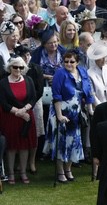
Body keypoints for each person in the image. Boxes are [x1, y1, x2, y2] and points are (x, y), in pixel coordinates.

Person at [42, 50, 94, 183]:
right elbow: (56, 96)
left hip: (75, 113)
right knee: (61, 143)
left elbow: (88, 92)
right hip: (61, 112)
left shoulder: (82, 72)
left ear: (77, 62)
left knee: (74, 142)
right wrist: (59, 115)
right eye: (66, 61)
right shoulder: (60, 73)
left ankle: (68, 169)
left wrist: (90, 109)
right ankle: (60, 172)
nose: (69, 64)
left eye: (72, 61)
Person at [0, 57, 37, 185]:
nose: (18, 70)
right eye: (15, 67)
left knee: (24, 147)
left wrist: (25, 110)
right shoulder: (3, 83)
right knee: (11, 147)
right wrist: (19, 112)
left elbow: (33, 98)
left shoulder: (29, 80)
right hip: (10, 118)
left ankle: (23, 172)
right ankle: (10, 173)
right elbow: (3, 103)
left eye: (21, 67)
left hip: (27, 118)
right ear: (10, 67)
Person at [15, 45, 45, 175]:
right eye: (24, 55)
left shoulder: (36, 68)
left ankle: (32, 162)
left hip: (35, 104)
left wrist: (28, 106)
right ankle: (19, 162)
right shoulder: (14, 68)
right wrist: (20, 106)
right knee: (17, 132)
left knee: (35, 133)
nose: (27, 58)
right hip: (17, 105)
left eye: (28, 55)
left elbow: (40, 90)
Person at [86, 40, 107, 105]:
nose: (104, 60)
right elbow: (92, 94)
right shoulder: (89, 73)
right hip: (98, 107)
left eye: (106, 57)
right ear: (96, 58)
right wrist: (101, 108)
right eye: (101, 58)